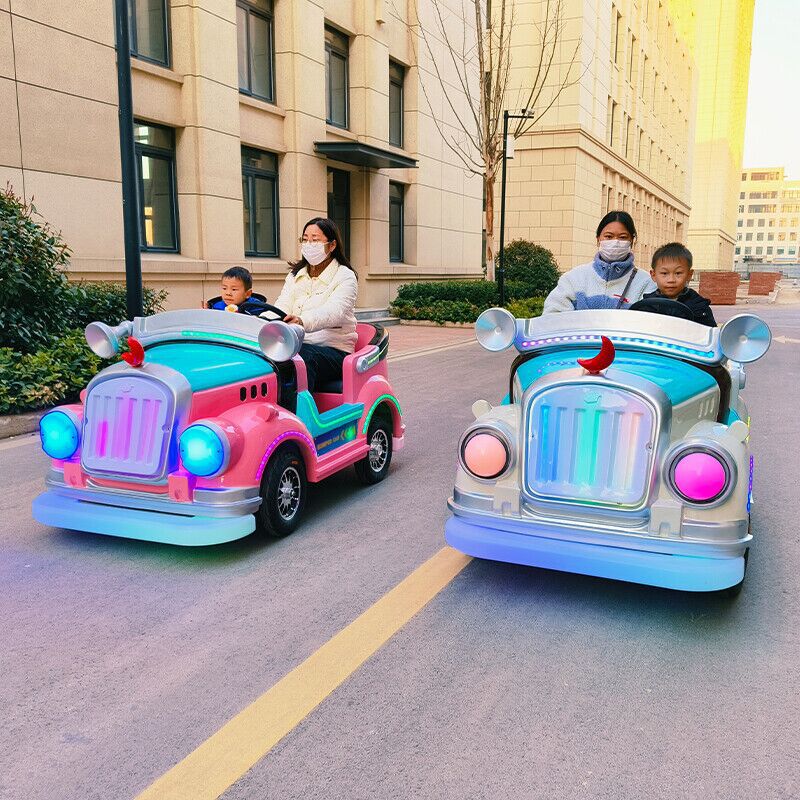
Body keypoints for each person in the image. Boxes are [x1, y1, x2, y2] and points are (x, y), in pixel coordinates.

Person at [270, 217, 358, 392]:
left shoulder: (345, 276)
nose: (309, 244)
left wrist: (302, 320)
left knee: (301, 358)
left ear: (332, 245)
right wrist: (264, 320)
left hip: (334, 351)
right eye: (305, 239)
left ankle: (298, 415)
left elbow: (334, 311)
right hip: (296, 344)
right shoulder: (295, 275)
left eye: (315, 240)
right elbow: (283, 304)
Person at [543, 211, 656, 313]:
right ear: (598, 239)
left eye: (622, 237)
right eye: (608, 236)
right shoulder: (574, 278)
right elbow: (552, 316)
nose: (615, 242)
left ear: (631, 240)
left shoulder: (646, 282)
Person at [641, 242, 716, 326]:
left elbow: (709, 335)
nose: (671, 280)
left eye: (678, 273)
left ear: (689, 275)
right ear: (653, 275)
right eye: (664, 273)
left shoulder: (699, 306)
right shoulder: (646, 305)